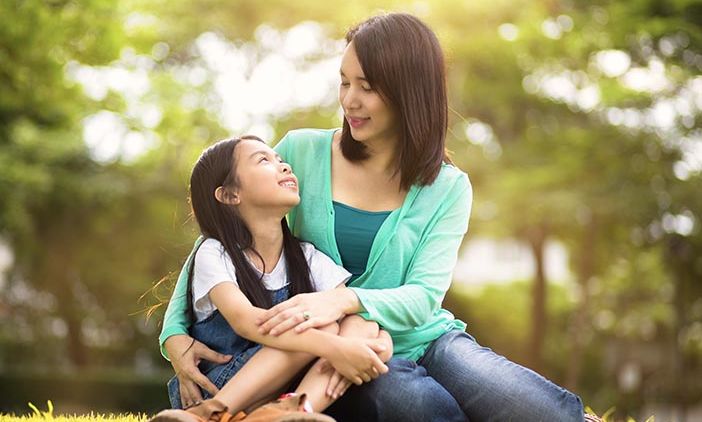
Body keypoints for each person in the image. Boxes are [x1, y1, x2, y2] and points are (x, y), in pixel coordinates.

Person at [160, 12, 597, 422]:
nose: (350, 100)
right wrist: (174, 335)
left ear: (408, 92)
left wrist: (344, 299)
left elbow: (424, 297)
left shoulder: (447, 188)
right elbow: (223, 234)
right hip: (332, 347)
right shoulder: (301, 153)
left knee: (536, 407)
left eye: (367, 86)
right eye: (345, 82)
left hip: (423, 337)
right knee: (423, 406)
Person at [152, 135, 393, 422]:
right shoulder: (214, 252)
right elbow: (247, 321)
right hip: (219, 384)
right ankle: (210, 413)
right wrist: (336, 347)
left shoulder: (307, 257)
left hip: (277, 392)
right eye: (264, 160)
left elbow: (353, 310)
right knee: (325, 327)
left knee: (359, 324)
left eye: (281, 159)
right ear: (230, 195)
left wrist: (381, 344)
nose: (284, 166)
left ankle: (291, 412)